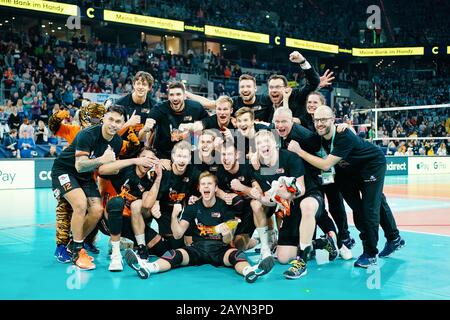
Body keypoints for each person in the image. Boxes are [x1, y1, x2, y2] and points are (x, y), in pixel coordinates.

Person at [291, 105, 405, 268]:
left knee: (369, 209)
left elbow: (325, 164)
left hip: (371, 166)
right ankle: (394, 238)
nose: (319, 123)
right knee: (361, 208)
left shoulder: (344, 135)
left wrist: (299, 152)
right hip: (348, 171)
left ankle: (370, 253)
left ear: (333, 120)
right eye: (316, 120)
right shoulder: (319, 136)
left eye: (323, 119)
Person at [124, 172, 275, 283]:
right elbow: (178, 234)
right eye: (203, 184)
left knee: (236, 255)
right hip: (197, 249)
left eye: (209, 184)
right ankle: (148, 268)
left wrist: (227, 232)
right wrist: (174, 216)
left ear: (216, 188)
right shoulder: (192, 207)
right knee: (173, 254)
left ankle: (251, 271)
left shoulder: (225, 208)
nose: (206, 186)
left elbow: (228, 239)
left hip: (219, 249)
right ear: (199, 188)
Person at [51, 105, 126, 269]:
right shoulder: (87, 134)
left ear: (122, 124)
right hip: (64, 171)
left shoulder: (117, 141)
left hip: (85, 176)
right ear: (104, 118)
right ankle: (78, 251)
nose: (113, 124)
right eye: (111, 119)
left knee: (97, 210)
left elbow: (104, 169)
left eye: (118, 121)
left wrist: (120, 167)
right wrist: (102, 159)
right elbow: (79, 166)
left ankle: (74, 244)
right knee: (80, 204)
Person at [97, 147, 163, 271]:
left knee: (161, 248)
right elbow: (102, 170)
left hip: (128, 223)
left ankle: (141, 247)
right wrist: (134, 161)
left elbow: (148, 204)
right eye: (144, 157)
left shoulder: (147, 182)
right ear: (138, 158)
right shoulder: (124, 169)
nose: (147, 161)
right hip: (108, 219)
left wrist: (158, 178)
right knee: (117, 202)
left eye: (151, 159)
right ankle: (116, 256)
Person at [144, 81, 209, 159]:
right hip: (164, 154)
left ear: (184, 96)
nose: (175, 98)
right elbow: (148, 132)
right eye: (171, 95)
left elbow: (208, 123)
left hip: (188, 154)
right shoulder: (158, 109)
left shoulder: (195, 108)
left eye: (178, 94)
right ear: (168, 96)